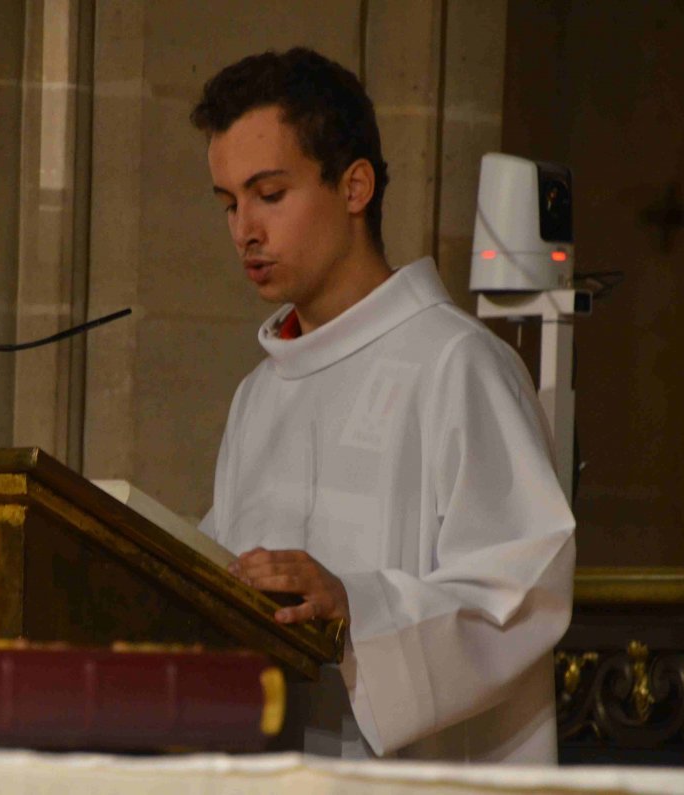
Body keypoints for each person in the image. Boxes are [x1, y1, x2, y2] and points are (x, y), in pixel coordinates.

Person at [191, 47, 576, 763]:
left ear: (355, 186)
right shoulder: (260, 394)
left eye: (270, 194)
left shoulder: (457, 364)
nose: (245, 228)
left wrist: (354, 605)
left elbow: (520, 593)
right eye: (228, 203)